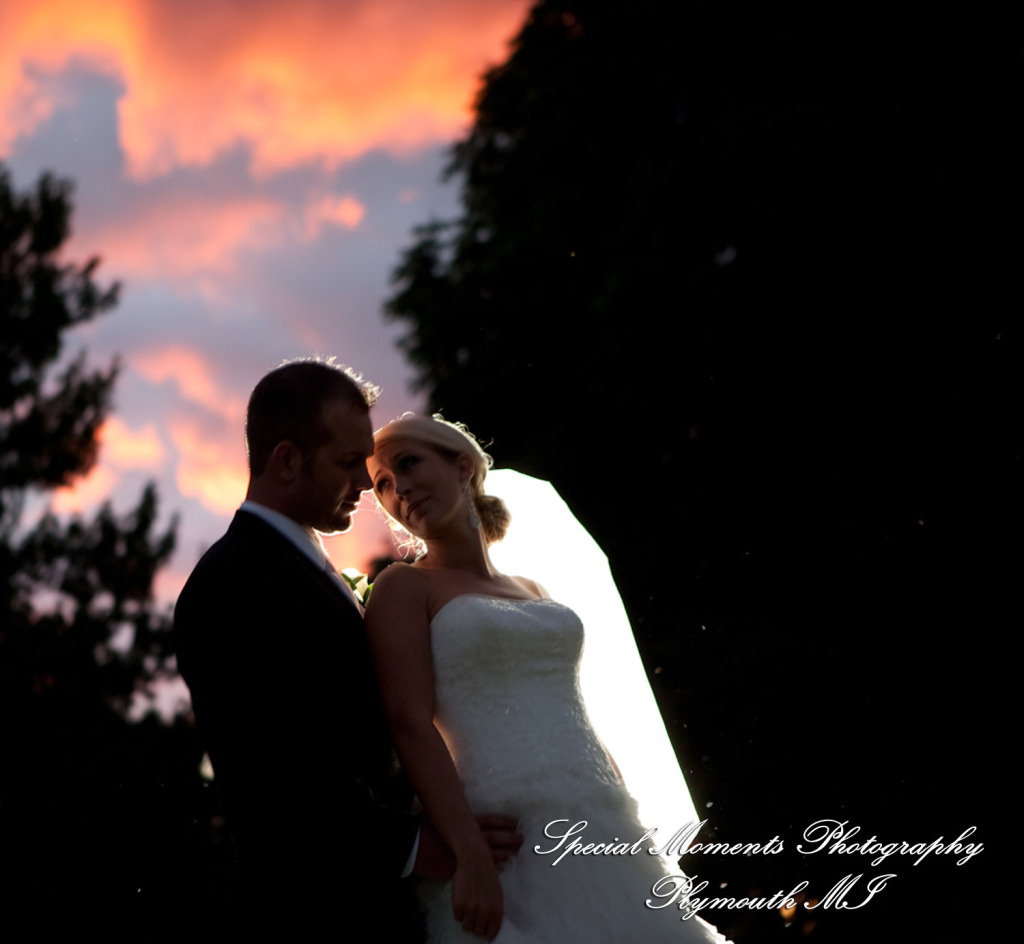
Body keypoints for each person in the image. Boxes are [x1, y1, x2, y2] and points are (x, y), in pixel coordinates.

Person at [174, 361, 519, 934]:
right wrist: (416, 846)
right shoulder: (231, 582)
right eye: (346, 464)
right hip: (313, 911)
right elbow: (274, 778)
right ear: (286, 460)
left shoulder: (312, 568)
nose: (366, 484)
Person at [365, 414, 729, 943]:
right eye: (382, 485)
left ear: (462, 465)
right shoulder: (403, 587)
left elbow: (573, 709)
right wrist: (467, 851)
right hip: (503, 837)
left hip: (598, 821)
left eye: (408, 464)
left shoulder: (534, 587)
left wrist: (624, 815)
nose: (399, 489)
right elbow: (408, 721)